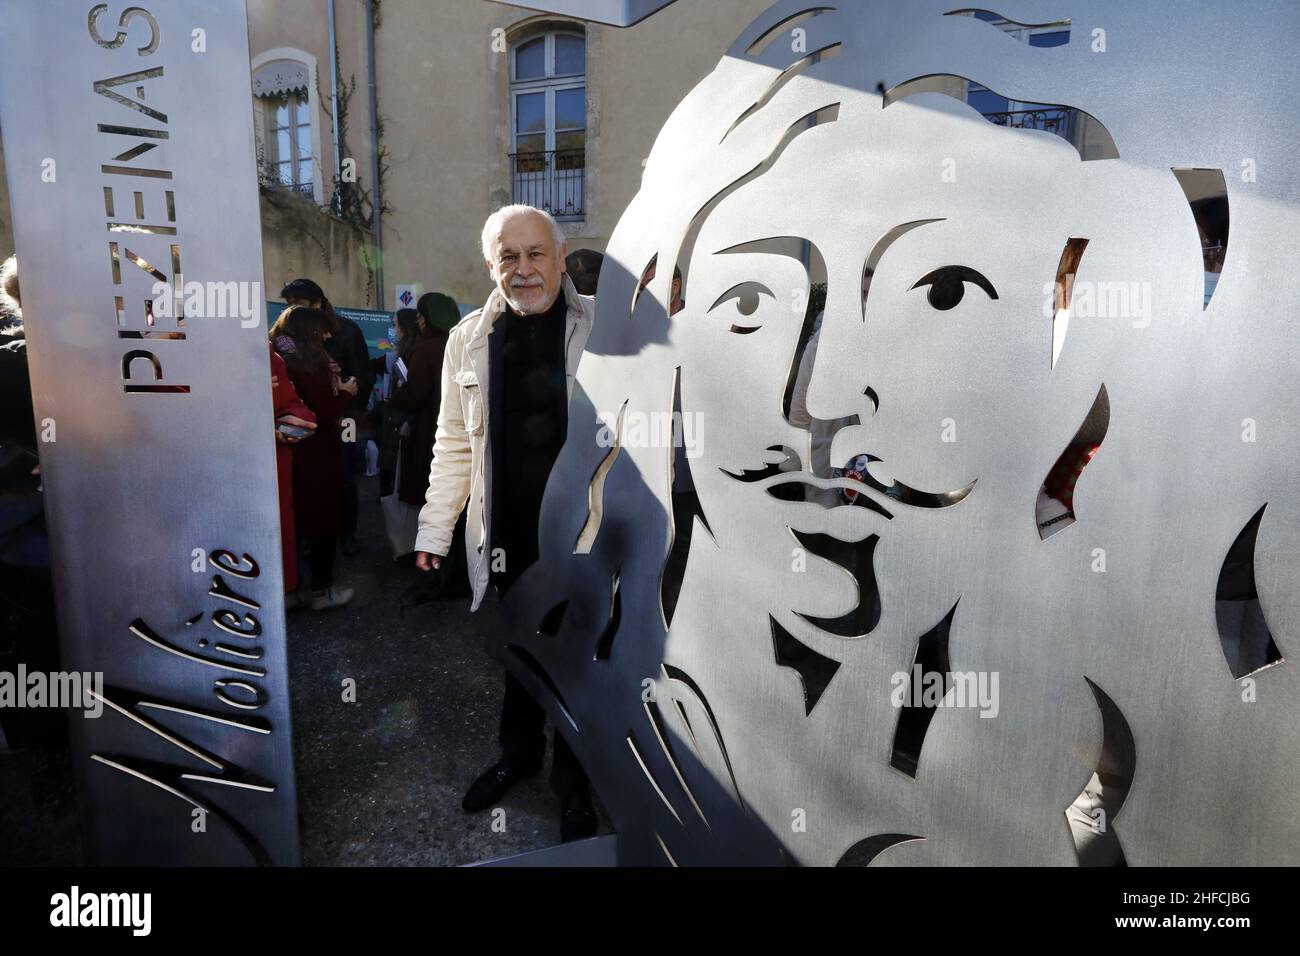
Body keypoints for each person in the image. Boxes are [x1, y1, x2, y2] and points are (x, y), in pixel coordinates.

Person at [413, 204, 597, 841]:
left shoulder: (601, 326)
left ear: (559, 255)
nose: (523, 270)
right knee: (519, 661)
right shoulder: (466, 340)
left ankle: (576, 787)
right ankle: (516, 759)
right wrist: (435, 531)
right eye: (508, 258)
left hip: (585, 540)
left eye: (535, 254)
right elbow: (452, 442)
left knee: (578, 666)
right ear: (491, 266)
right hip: (505, 540)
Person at [270, 304, 356, 611]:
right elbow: (321, 412)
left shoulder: (278, 357)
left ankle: (291, 589)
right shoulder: (309, 363)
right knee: (323, 521)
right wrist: (345, 392)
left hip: (288, 454)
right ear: (311, 331)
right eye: (321, 331)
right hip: (318, 454)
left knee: (293, 523)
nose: (327, 336)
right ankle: (323, 590)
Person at [281, 278, 374, 556]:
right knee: (307, 481)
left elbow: (362, 373)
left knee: (344, 475)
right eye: (290, 304)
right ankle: (310, 538)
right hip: (305, 421)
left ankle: (346, 535)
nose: (294, 308)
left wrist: (349, 406)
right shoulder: (287, 335)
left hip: (343, 416)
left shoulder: (345, 330)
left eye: (300, 303)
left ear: (318, 303)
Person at [388, 297, 451, 507]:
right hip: (453, 427)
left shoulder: (427, 349)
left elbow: (415, 393)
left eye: (421, 316)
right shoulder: (457, 341)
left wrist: (397, 395)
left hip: (428, 429)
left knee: (427, 493)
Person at [270, 344, 317, 594]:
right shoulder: (164, 351)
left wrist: (294, 418)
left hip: (265, 479)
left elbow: (293, 404)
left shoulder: (265, 354)